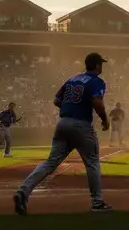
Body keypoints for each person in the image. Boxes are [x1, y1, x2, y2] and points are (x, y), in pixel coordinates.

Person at [13, 53, 113, 215]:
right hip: (81, 125)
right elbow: (97, 103)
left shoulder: (73, 79)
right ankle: (97, 202)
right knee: (92, 162)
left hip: (63, 123)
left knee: (50, 163)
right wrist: (105, 120)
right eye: (101, 64)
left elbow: (56, 101)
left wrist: (71, 108)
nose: (102, 67)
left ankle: (23, 190)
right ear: (96, 65)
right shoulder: (97, 81)